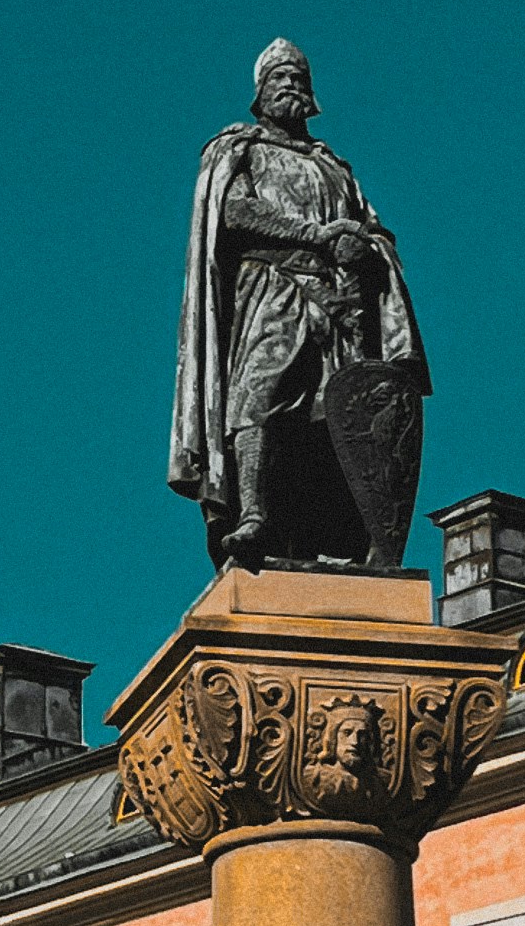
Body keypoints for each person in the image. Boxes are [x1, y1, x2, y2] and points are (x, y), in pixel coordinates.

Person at [169, 39, 427, 568]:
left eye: (298, 79)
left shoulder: (334, 165)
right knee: (258, 398)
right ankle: (255, 514)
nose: (290, 87)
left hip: (341, 308)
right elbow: (234, 215)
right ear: (259, 94)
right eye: (278, 79)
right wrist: (318, 235)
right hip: (271, 292)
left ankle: (346, 533)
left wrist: (364, 245)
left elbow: (376, 230)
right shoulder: (239, 150)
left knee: (340, 418)